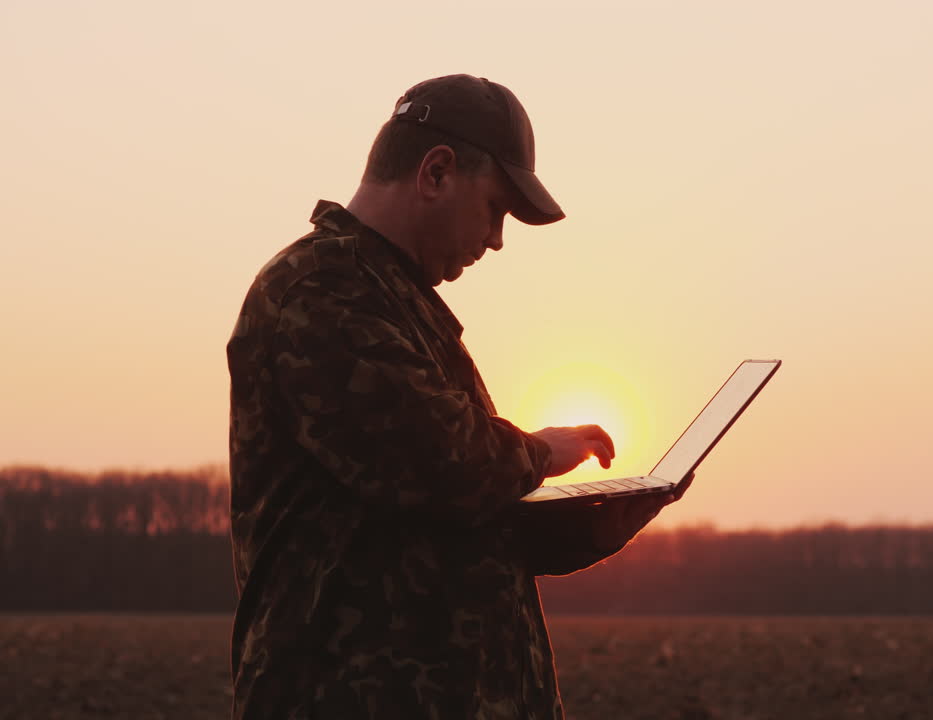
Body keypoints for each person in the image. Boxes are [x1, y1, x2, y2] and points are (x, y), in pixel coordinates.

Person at [225, 74, 693, 719]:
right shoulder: (318, 287)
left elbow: (448, 525)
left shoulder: (395, 301)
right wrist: (540, 452)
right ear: (436, 173)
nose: (497, 239)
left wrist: (595, 525)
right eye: (496, 209)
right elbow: (435, 459)